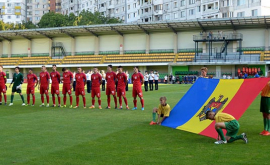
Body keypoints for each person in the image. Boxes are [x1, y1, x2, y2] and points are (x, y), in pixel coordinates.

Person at [259, 71, 270, 135]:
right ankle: (265, 129)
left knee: (268, 114)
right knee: (264, 114)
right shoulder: (265, 81)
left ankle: (268, 130)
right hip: (263, 97)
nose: (268, 74)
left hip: (268, 98)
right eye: (268, 73)